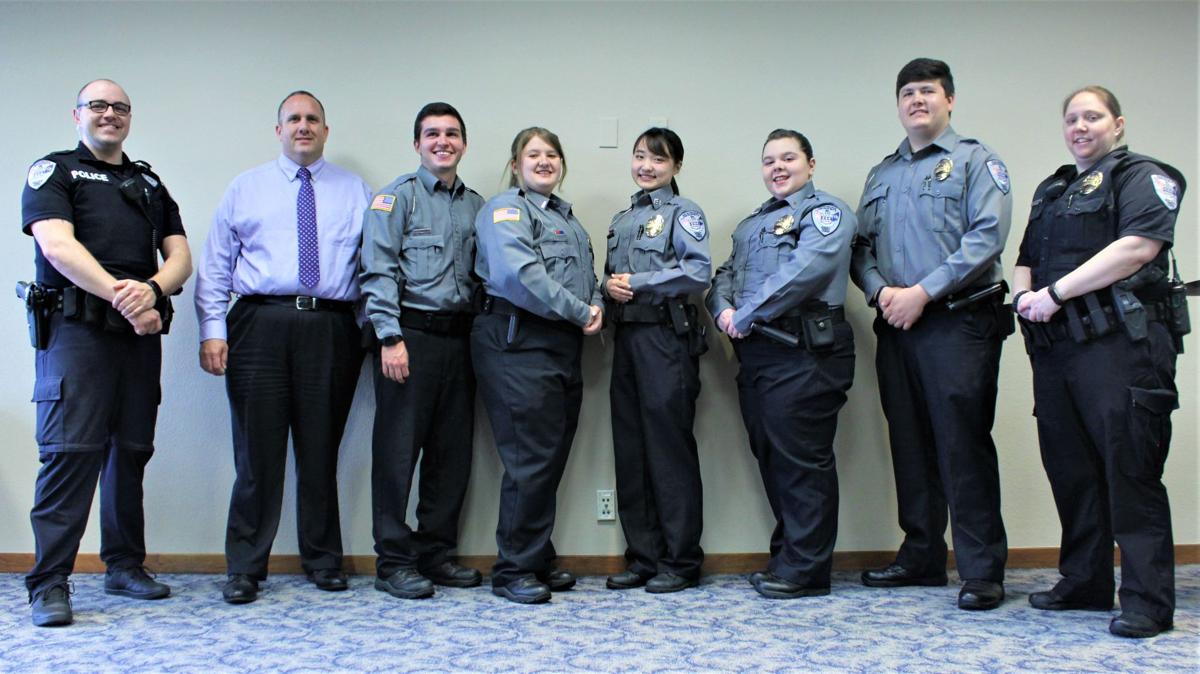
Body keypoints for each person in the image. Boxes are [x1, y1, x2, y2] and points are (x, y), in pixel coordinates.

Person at [1013, 86, 1186, 639]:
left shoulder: (1143, 176)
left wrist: (1056, 293)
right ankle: (1084, 580)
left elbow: (1138, 246)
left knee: (1129, 471)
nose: (1080, 127)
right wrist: (1024, 296)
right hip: (1059, 350)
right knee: (1072, 470)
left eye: (1092, 117)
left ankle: (1147, 601)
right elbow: (1024, 259)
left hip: (1122, 346)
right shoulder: (1054, 187)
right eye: (1071, 119)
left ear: (1118, 123)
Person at [20, 79, 192, 627]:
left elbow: (180, 254)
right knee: (72, 452)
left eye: (119, 107)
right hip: (77, 332)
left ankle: (124, 566)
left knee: (131, 450)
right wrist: (126, 296)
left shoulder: (148, 181)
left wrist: (157, 289)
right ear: (77, 114)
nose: (110, 114)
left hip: (137, 337)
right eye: (98, 105)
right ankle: (48, 582)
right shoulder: (55, 171)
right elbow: (56, 244)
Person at [195, 90, 371, 604]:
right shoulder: (245, 188)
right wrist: (213, 330)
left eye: (313, 119)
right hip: (259, 325)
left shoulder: (355, 191)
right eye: (293, 119)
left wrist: (364, 333)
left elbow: (371, 268)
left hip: (330, 328)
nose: (303, 126)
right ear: (278, 130)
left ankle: (323, 560)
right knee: (257, 454)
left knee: (321, 451)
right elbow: (215, 263)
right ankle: (246, 567)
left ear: (326, 130)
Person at [851, 58, 1013, 610]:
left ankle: (982, 569)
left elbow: (987, 238)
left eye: (927, 91)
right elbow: (860, 248)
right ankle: (922, 554)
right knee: (910, 444)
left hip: (958, 321)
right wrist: (881, 292)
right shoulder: (881, 174)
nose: (916, 100)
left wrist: (922, 292)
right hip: (896, 323)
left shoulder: (975, 161)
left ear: (950, 100)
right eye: (907, 93)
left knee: (961, 443)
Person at [707, 129, 857, 599]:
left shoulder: (826, 214)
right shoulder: (753, 225)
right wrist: (722, 309)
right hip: (759, 351)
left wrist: (745, 313)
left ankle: (807, 569)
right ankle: (790, 554)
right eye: (769, 160)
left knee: (802, 460)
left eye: (788, 158)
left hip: (806, 349)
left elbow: (805, 271)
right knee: (771, 455)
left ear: (810, 164)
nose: (778, 167)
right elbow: (725, 275)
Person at [472, 127, 603, 604]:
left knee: (547, 457)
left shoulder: (567, 219)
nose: (544, 161)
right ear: (515, 164)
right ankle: (513, 570)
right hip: (517, 341)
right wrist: (581, 310)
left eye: (552, 154)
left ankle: (534, 556)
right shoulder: (506, 211)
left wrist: (593, 304)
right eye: (533, 154)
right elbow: (519, 276)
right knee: (529, 458)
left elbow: (587, 276)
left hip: (560, 346)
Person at [359, 103, 485, 599]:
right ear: (417, 144)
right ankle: (393, 561)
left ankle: (436, 555)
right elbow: (378, 272)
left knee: (451, 455)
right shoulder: (396, 200)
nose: (442, 142)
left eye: (452, 134)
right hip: (409, 337)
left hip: (462, 340)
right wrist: (389, 338)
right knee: (396, 453)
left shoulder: (478, 206)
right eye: (432, 134)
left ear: (464, 143)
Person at [603, 128, 711, 593]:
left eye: (659, 160)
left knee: (668, 449)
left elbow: (698, 271)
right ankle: (643, 556)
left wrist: (640, 282)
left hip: (666, 337)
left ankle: (681, 560)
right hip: (626, 336)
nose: (647, 166)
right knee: (631, 449)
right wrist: (609, 287)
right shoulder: (622, 218)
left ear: (676, 167)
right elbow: (612, 276)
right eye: (640, 156)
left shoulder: (684, 213)